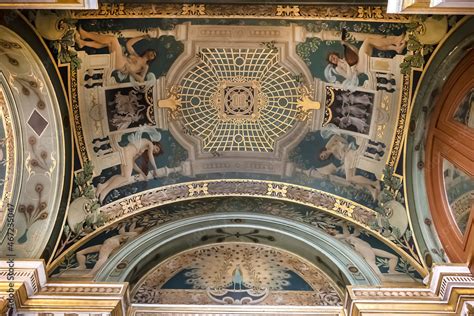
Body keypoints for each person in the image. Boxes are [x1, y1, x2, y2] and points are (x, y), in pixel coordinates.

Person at [95, 128, 163, 203]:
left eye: (156, 152)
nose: (154, 151)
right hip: (127, 152)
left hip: (128, 154)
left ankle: (102, 186)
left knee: (123, 176)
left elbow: (133, 162)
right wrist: (155, 169)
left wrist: (142, 173)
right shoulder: (149, 143)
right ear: (155, 144)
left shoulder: (143, 148)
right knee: (126, 177)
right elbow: (150, 156)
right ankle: (105, 191)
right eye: (156, 149)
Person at [325, 31, 406, 89]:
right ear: (332, 62)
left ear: (335, 54)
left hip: (360, 61)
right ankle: (396, 41)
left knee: (372, 43)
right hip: (360, 67)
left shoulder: (344, 57)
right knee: (368, 41)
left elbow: (356, 51)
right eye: (331, 60)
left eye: (332, 56)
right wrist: (348, 65)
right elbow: (349, 77)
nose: (333, 59)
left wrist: (346, 44)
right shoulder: (338, 68)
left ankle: (396, 48)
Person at [75, 26, 156, 82]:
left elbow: (141, 79)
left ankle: (85, 35)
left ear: (152, 59)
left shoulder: (145, 66)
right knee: (108, 42)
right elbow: (129, 44)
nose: (152, 54)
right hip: (120, 59)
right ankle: (83, 43)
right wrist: (142, 37)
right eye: (152, 52)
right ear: (148, 51)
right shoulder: (136, 55)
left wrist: (130, 71)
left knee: (113, 39)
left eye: (154, 55)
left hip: (121, 65)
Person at [317, 133, 379, 199]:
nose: (324, 156)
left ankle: (374, 183)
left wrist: (345, 143)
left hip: (349, 153)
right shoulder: (334, 154)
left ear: (322, 152)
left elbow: (335, 136)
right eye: (324, 158)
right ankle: (372, 190)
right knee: (352, 179)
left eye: (322, 156)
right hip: (347, 158)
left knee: (349, 179)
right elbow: (342, 157)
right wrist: (342, 159)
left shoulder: (327, 146)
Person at [73, 221, 144, 276]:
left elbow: (122, 232)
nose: (137, 227)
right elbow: (124, 231)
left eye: (140, 227)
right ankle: (82, 265)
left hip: (111, 243)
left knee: (102, 258)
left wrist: (124, 224)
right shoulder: (132, 233)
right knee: (79, 253)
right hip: (108, 243)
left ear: (140, 230)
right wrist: (127, 224)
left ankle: (91, 273)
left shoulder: (135, 234)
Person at [330, 223, 402, 277]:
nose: (335, 230)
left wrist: (356, 226)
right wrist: (343, 226)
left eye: (334, 229)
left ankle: (391, 270)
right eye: (332, 229)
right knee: (371, 262)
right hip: (362, 248)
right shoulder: (337, 237)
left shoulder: (348, 236)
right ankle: (380, 277)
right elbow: (346, 235)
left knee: (394, 257)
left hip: (369, 248)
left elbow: (356, 233)